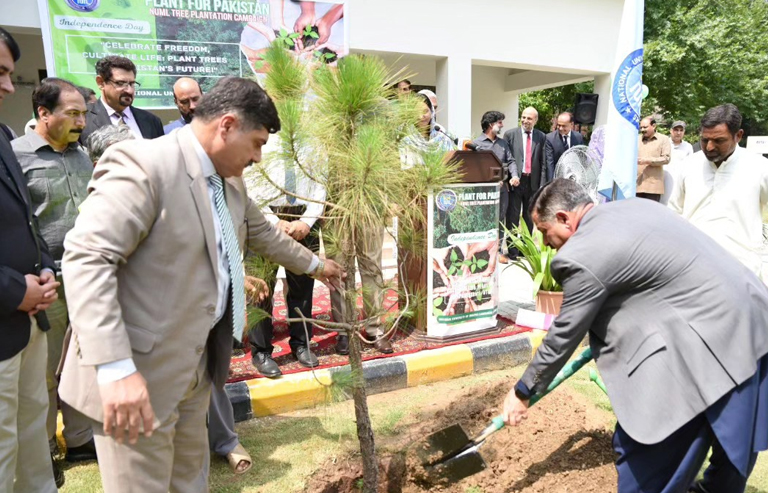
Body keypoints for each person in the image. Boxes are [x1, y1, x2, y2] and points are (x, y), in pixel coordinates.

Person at [58, 76, 344, 492]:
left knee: (190, 482)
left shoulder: (229, 179)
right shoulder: (143, 164)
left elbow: (263, 234)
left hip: (195, 367)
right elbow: (87, 258)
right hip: (138, 374)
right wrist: (115, 368)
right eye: (258, 142)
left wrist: (318, 266)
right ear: (226, 125)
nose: (259, 157)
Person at [502, 178, 768, 493]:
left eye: (545, 232)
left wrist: (522, 391)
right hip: (751, 316)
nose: (545, 243)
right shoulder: (637, 207)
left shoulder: (581, 253)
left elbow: (563, 334)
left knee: (648, 461)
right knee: (734, 446)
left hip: (702, 342)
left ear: (564, 219)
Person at [11, 77, 97, 471]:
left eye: (83, 113)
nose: (82, 121)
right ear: (43, 114)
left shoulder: (82, 156)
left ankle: (79, 440)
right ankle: (43, 446)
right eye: (73, 113)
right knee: (45, 372)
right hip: (46, 283)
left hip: (88, 279)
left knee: (83, 360)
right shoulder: (15, 157)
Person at [0, 27, 60, 492]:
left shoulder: (1, 134)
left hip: (27, 319)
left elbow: (25, 217)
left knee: (31, 434)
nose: (7, 86)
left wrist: (42, 266)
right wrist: (14, 290)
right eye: (0, 73)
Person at [247, 140, 328, 376]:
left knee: (302, 285)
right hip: (264, 215)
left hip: (303, 217)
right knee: (260, 288)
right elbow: (246, 184)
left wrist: (307, 221)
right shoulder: (256, 132)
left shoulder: (313, 136)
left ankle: (301, 344)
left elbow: (321, 183)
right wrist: (273, 222)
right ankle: (261, 351)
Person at [668, 104, 768, 281]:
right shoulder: (689, 165)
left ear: (738, 136)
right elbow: (673, 213)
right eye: (705, 140)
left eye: (719, 141)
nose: (709, 147)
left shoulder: (759, 168)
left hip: (742, 271)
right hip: (692, 267)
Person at [80, 56, 164, 143]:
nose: (129, 90)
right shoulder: (83, 119)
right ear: (101, 82)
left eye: (132, 84)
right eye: (120, 83)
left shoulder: (151, 121)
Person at [472, 111, 516, 262]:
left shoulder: (503, 143)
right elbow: (473, 169)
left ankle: (497, 252)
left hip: (503, 190)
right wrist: (489, 180)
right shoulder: (476, 144)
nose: (502, 125)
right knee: (484, 220)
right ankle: (482, 251)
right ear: (491, 124)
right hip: (484, 192)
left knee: (500, 219)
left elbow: (510, 161)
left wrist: (514, 176)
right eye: (500, 122)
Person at [503, 107, 546, 238]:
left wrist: (542, 186)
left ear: (535, 120)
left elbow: (543, 162)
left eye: (529, 118)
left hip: (532, 182)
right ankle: (513, 251)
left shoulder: (541, 136)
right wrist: (506, 180)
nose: (525, 120)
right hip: (515, 181)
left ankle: (525, 248)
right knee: (513, 216)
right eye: (523, 117)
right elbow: (505, 159)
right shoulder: (510, 135)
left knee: (529, 217)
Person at [636, 116, 671, 201]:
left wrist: (648, 160)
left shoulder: (663, 139)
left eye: (645, 127)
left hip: (653, 186)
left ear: (654, 126)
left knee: (651, 213)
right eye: (641, 128)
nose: (642, 130)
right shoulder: (636, 139)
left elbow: (666, 158)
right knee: (636, 212)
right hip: (637, 184)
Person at [544, 112, 584, 183]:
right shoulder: (550, 138)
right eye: (559, 125)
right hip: (558, 179)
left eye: (564, 126)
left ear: (571, 124)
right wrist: (552, 183)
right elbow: (550, 164)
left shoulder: (578, 137)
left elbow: (581, 158)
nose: (560, 128)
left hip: (573, 179)